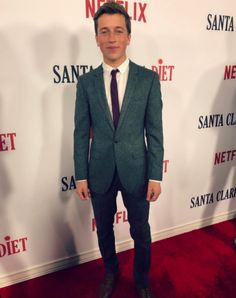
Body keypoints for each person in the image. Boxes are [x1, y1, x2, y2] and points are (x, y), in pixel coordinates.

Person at [74, 2, 164, 298]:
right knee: (104, 230)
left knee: (141, 229)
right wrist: (81, 175)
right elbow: (80, 132)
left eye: (118, 31)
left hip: (137, 169)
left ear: (128, 36)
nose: (112, 38)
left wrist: (155, 175)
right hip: (98, 170)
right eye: (104, 32)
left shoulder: (148, 79)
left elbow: (154, 130)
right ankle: (111, 271)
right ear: (97, 38)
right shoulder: (85, 82)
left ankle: (141, 279)